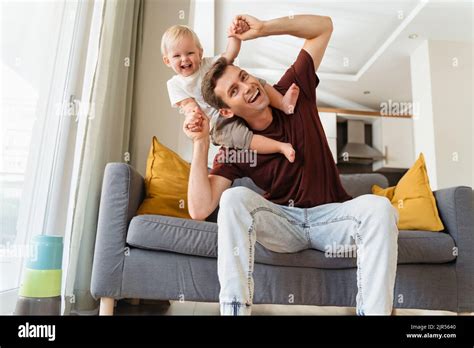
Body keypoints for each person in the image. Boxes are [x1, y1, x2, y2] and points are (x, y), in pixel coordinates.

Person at [183, 14, 399, 316]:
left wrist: (264, 29)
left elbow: (323, 27)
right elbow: (200, 209)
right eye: (233, 91)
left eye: (244, 77)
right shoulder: (236, 144)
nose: (245, 87)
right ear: (227, 112)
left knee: (380, 208)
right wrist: (200, 143)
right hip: (285, 225)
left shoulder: (293, 91)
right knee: (233, 198)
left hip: (332, 219)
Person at [162, 23, 299, 162]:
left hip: (234, 103)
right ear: (167, 60)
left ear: (200, 52)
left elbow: (230, 54)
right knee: (240, 138)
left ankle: (283, 103)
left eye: (190, 53)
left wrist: (234, 36)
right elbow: (189, 106)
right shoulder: (174, 84)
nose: (184, 59)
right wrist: (193, 119)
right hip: (218, 121)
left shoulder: (208, 64)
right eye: (177, 56)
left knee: (251, 81)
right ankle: (280, 147)